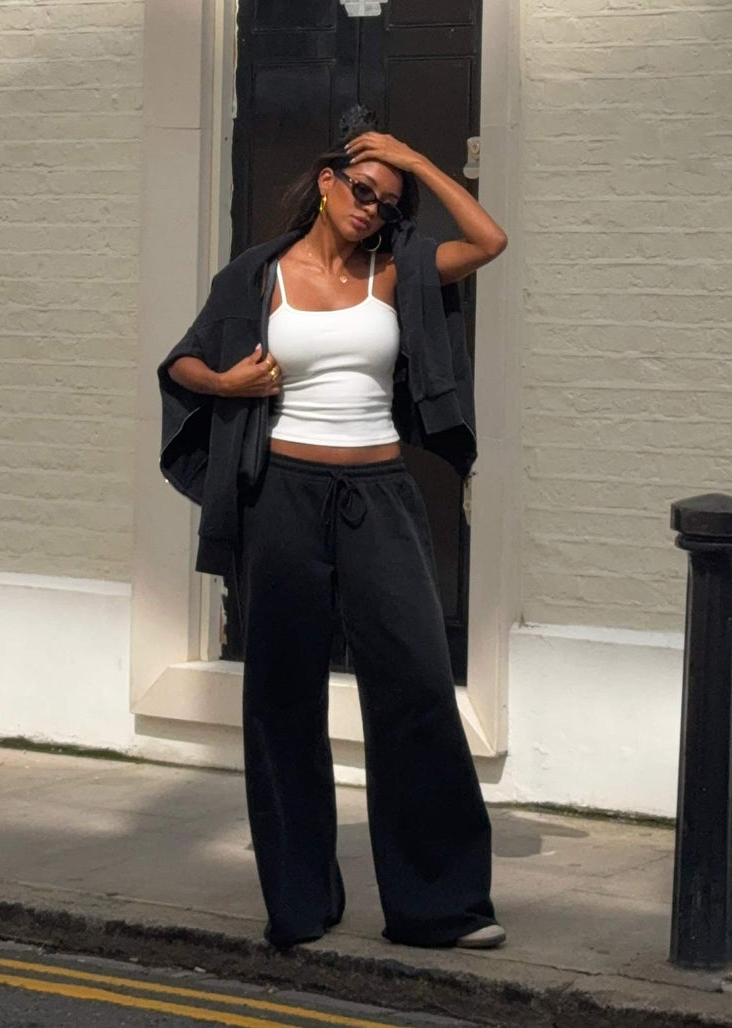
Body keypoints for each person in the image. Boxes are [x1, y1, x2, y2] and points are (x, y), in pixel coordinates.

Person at [158, 108, 507, 951]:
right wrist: (231, 386)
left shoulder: (399, 269)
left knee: (417, 686)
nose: (371, 208)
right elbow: (184, 361)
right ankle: (300, 902)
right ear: (325, 183)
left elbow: (487, 241)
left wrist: (414, 160)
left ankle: (439, 907)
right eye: (361, 190)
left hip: (378, 494)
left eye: (386, 202)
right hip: (280, 493)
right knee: (281, 696)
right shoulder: (257, 275)